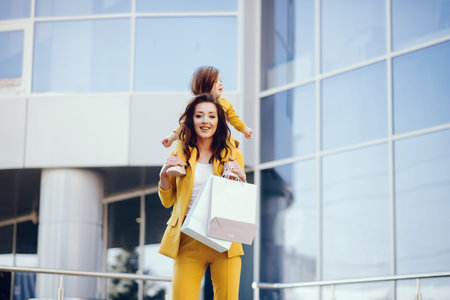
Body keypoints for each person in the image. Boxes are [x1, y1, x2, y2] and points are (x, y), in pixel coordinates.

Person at [158, 93, 246, 299]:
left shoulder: (233, 154)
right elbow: (168, 201)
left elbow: (240, 201)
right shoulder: (180, 151)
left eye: (211, 116)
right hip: (188, 239)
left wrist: (243, 178)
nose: (205, 121)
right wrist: (163, 175)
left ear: (219, 121)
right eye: (199, 116)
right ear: (191, 120)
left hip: (225, 242)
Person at [161, 66, 252, 177]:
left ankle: (229, 167)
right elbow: (183, 125)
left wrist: (245, 130)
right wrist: (171, 138)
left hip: (220, 138)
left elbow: (234, 119)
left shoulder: (225, 103)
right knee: (181, 143)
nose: (220, 84)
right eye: (216, 82)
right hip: (195, 140)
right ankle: (179, 165)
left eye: (221, 81)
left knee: (230, 143)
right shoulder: (195, 105)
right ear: (205, 84)